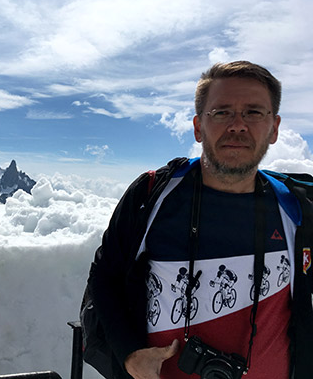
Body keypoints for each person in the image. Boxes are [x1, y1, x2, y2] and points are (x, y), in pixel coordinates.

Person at [87, 61, 313, 379]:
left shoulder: (297, 208)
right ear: (198, 127)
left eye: (253, 112)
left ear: (274, 128)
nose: (237, 125)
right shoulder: (153, 195)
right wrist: (129, 353)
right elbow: (105, 274)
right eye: (221, 112)